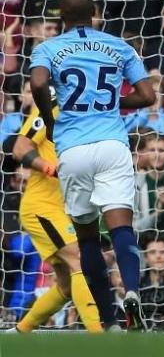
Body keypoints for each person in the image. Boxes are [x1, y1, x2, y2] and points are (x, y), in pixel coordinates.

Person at [29, 0, 156, 331]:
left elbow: (39, 83)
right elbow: (147, 96)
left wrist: (52, 118)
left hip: (73, 149)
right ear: (95, 12)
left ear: (61, 14)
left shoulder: (48, 48)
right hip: (112, 145)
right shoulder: (119, 46)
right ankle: (131, 290)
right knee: (121, 228)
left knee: (87, 239)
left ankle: (110, 322)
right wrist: (113, 103)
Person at [8, 98, 102, 333]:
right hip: (42, 206)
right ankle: (99, 336)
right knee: (80, 260)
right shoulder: (50, 106)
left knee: (66, 286)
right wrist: (52, 169)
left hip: (66, 209)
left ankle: (18, 334)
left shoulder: (95, 115)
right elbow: (20, 148)